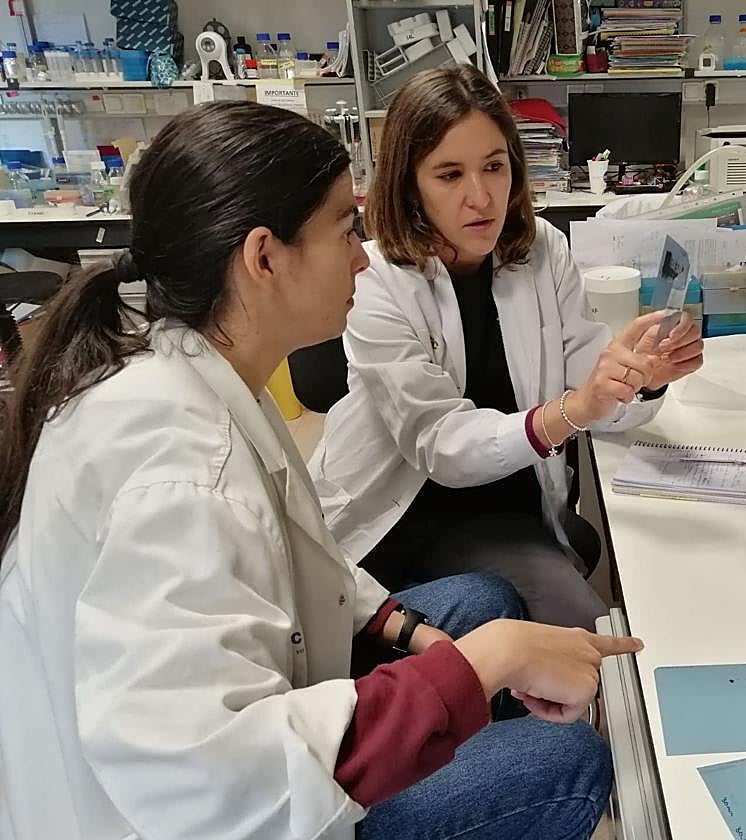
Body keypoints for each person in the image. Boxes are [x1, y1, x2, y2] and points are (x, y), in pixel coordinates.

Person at [0, 101, 642, 840]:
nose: (362, 257)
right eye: (344, 229)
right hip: (192, 813)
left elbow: (307, 561)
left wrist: (412, 634)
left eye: (496, 168)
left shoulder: (196, 371)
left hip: (224, 740)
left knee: (482, 600)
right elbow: (209, 783)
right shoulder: (179, 470)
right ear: (264, 256)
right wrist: (482, 665)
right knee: (565, 758)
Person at [311, 65, 705, 629]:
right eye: (450, 174)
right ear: (409, 184)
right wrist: (575, 409)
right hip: (399, 521)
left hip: (510, 507)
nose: (481, 196)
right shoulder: (375, 278)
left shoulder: (541, 249)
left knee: (617, 618)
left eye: (495, 167)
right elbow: (441, 446)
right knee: (588, 644)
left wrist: (644, 373)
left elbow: (591, 380)